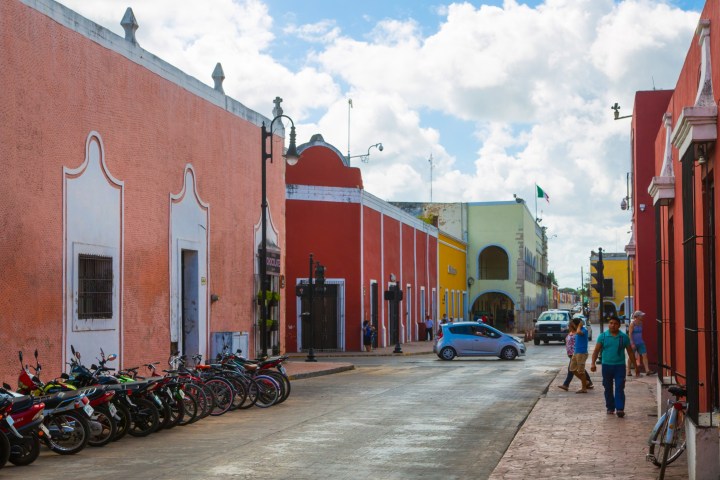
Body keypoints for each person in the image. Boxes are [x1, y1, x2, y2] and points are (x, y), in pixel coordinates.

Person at [590, 315, 638, 418]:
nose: (613, 325)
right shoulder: (602, 336)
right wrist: (593, 363)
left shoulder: (623, 337)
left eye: (615, 324)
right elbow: (596, 351)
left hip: (620, 367)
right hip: (606, 366)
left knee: (620, 387)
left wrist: (636, 366)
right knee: (607, 387)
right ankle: (610, 408)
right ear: (609, 324)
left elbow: (630, 352)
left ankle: (620, 408)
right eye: (611, 323)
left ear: (619, 326)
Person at [558, 318, 593, 392]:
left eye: (573, 323)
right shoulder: (577, 330)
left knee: (581, 371)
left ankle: (584, 388)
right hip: (576, 352)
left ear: (575, 324)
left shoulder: (583, 330)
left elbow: (579, 332)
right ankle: (586, 382)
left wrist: (580, 326)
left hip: (581, 353)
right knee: (572, 369)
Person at [628, 310, 655, 376]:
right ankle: (628, 371)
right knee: (631, 357)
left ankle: (647, 370)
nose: (642, 316)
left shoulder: (641, 323)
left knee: (645, 355)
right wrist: (632, 343)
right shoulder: (632, 324)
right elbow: (630, 334)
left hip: (640, 342)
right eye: (641, 315)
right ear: (637, 316)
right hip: (634, 343)